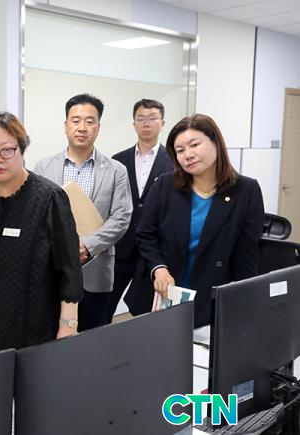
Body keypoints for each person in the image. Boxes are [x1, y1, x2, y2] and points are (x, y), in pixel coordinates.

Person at [0, 111, 83, 356]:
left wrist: (68, 325)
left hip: (33, 326)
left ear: (22, 148)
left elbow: (70, 269)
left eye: (7, 150)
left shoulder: (49, 198)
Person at [125, 114, 264, 327]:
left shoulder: (246, 190)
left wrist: (245, 305)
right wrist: (159, 268)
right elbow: (145, 234)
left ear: (215, 142)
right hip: (161, 293)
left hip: (211, 296)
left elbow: (246, 255)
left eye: (195, 145)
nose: (188, 155)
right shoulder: (165, 185)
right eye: (180, 150)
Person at [34, 93, 132, 331]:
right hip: (52, 270)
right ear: (65, 125)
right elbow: (35, 215)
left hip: (96, 272)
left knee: (93, 340)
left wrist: (87, 244)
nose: (82, 127)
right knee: (50, 338)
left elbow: (121, 217)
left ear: (98, 127)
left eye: (90, 121)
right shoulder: (43, 167)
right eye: (76, 120)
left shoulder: (116, 170)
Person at [108, 99, 173, 322]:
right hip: (122, 245)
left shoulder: (174, 161)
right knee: (104, 306)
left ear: (162, 123)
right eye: (141, 118)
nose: (146, 123)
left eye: (152, 118)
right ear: (133, 123)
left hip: (155, 247)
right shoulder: (118, 161)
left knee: (146, 310)